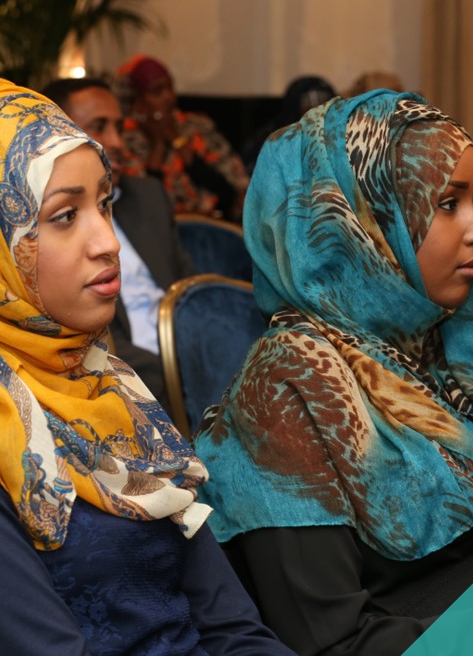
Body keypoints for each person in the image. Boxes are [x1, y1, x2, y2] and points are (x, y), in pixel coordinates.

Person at [193, 90, 473, 655]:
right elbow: (332, 643)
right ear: (359, 225)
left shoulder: (457, 342)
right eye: (447, 204)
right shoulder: (289, 389)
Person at [0, 79, 296, 656]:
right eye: (64, 216)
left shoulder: (110, 386)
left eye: (104, 204)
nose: (107, 241)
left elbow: (232, 624)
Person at [42, 77, 194, 417]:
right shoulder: (39, 219)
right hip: (128, 361)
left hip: (184, 343)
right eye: (99, 127)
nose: (116, 141)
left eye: (118, 127)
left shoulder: (149, 196)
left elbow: (188, 287)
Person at [116, 54, 250, 221]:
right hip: (158, 228)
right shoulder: (124, 138)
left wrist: (176, 138)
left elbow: (229, 191)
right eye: (157, 91)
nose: (169, 97)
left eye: (170, 88)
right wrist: (158, 144)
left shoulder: (197, 126)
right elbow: (142, 203)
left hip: (213, 223)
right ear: (138, 101)